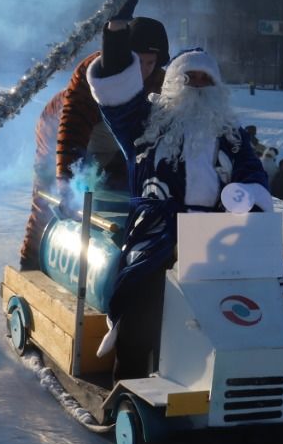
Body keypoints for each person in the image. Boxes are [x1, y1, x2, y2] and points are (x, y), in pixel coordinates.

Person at [86, 0, 283, 378]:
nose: (195, 87)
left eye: (204, 80)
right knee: (143, 298)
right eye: (187, 80)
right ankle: (130, 381)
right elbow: (115, 90)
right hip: (162, 236)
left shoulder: (231, 134)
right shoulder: (144, 124)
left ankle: (280, 371)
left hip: (222, 238)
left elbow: (252, 175)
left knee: (280, 291)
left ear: (217, 86)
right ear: (172, 83)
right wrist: (117, 29)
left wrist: (244, 195)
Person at [18, 17, 169, 268]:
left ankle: (111, 262)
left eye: (150, 63)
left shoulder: (159, 81)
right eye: (138, 61)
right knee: (49, 201)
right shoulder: (93, 72)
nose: (143, 69)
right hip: (59, 132)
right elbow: (72, 130)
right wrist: (65, 179)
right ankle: (31, 264)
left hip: (114, 142)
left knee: (122, 193)